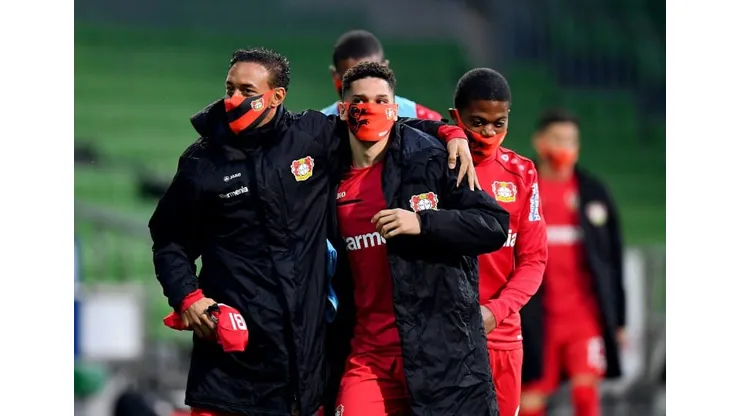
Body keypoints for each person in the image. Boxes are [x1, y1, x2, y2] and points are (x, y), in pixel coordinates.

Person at [149, 47, 477, 416]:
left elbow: (379, 123)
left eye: (247, 91)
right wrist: (188, 298)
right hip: (229, 365)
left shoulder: (311, 137)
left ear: (277, 96)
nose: (233, 99)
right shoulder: (201, 162)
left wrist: (449, 132)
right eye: (230, 89)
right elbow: (169, 240)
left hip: (300, 366)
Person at [326, 62, 508, 416]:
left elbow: (493, 225)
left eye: (381, 101)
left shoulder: (430, 160)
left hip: (440, 354)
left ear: (395, 109)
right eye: (360, 101)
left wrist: (424, 223)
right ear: (344, 110)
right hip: (370, 356)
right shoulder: (328, 177)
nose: (370, 108)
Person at [447, 68, 548, 416]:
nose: (488, 133)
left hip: (502, 336)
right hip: (444, 336)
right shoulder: (433, 166)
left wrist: (496, 311)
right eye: (477, 122)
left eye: (498, 123)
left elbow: (534, 260)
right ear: (456, 117)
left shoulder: (522, 174)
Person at [518, 108, 626, 416]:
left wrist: (619, 319)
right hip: (536, 318)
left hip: (583, 316)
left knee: (585, 394)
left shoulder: (593, 193)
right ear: (540, 142)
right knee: (530, 401)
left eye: (571, 140)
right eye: (558, 139)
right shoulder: (523, 188)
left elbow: (612, 260)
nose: (565, 147)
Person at [320, 30, 442, 120]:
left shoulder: (424, 120)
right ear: (335, 76)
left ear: (386, 69)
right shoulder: (318, 128)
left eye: (372, 75)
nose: (364, 86)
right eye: (352, 78)